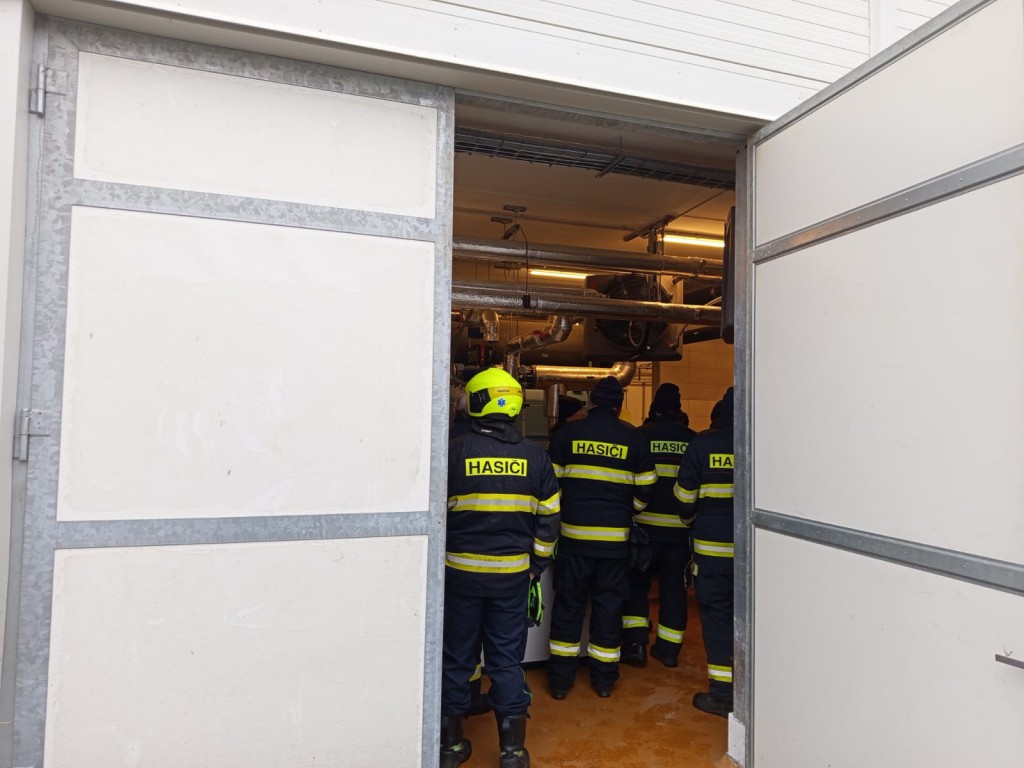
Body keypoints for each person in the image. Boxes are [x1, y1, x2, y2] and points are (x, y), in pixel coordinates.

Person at [442, 367, 561, 768]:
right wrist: (536, 565)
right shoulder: (536, 457)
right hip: (511, 580)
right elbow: (550, 518)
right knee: (505, 662)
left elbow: (436, 516)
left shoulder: (454, 452)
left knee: (457, 658)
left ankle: (451, 747)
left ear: (476, 403)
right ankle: (513, 752)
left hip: (459, 577)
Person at [546, 376, 657, 699]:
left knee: (568, 609)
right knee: (608, 611)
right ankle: (604, 681)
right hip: (614, 546)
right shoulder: (633, 438)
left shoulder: (567, 435)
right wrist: (629, 510)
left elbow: (550, 488)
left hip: (574, 542)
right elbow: (647, 487)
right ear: (619, 406)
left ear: (591, 402)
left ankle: (560, 682)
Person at [621, 382, 697, 669]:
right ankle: (668, 650)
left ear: (654, 407)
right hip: (679, 533)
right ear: (679, 408)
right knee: (674, 590)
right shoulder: (693, 440)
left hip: (644, 531)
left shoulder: (641, 436)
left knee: (637, 585)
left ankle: (636, 645)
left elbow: (631, 483)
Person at [673, 386, 735, 718]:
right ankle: (758, 692)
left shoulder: (703, 444)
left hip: (712, 555)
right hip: (759, 558)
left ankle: (724, 694)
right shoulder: (768, 444)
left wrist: (690, 521)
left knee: (717, 619)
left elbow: (685, 497)